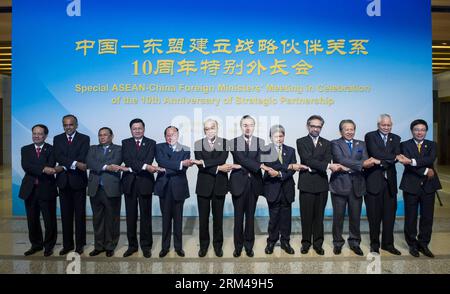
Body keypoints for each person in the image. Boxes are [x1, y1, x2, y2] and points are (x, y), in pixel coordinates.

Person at [296, 115, 345, 255]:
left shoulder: (327, 143)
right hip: (306, 184)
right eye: (313, 126)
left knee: (319, 216)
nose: (316, 129)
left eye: (319, 127)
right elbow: (307, 159)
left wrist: (315, 164)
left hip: (321, 184)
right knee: (306, 216)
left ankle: (318, 244)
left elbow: (320, 159)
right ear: (307, 126)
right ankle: (305, 243)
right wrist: (326, 165)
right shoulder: (301, 141)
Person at [330, 119, 377, 256]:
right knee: (338, 217)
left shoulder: (361, 144)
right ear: (341, 131)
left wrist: (350, 166)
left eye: (352, 129)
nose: (350, 132)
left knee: (355, 217)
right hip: (339, 184)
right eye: (346, 129)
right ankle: (337, 243)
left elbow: (366, 160)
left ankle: (354, 242)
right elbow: (340, 159)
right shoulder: (335, 143)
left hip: (357, 184)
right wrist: (359, 165)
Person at [397, 119, 442, 258]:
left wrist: (412, 161)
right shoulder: (404, 145)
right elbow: (406, 164)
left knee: (427, 217)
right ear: (412, 131)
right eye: (417, 129)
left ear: (426, 131)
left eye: (423, 129)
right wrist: (424, 171)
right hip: (411, 185)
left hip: (429, 186)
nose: (420, 132)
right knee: (410, 217)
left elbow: (430, 159)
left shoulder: (432, 145)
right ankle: (412, 244)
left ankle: (424, 244)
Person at [229, 115, 269, 258]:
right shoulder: (233, 142)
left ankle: (249, 246)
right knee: (238, 217)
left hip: (254, 184)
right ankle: (238, 247)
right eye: (245, 125)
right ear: (241, 126)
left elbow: (257, 160)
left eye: (250, 124)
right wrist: (260, 166)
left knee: (250, 217)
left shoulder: (261, 142)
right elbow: (242, 159)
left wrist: (254, 165)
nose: (248, 127)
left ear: (254, 126)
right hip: (238, 184)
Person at [193, 119, 234, 258]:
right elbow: (199, 165)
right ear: (204, 130)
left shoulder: (224, 143)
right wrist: (218, 168)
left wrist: (205, 163)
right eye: (207, 128)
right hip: (203, 186)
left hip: (219, 185)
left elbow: (221, 158)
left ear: (217, 128)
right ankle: (203, 246)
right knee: (203, 219)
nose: (210, 130)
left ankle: (218, 246)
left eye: (212, 127)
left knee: (218, 219)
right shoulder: (198, 144)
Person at [19, 124, 61, 257]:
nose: (36, 136)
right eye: (34, 133)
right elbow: (26, 166)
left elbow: (51, 165)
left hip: (46, 189)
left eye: (39, 133)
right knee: (32, 220)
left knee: (50, 221)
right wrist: (43, 169)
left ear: (45, 135)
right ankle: (36, 245)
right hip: (30, 190)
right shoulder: (25, 149)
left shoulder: (52, 149)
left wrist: (38, 167)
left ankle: (49, 246)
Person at [364, 114, 402, 255]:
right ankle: (375, 245)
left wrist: (380, 161)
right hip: (373, 182)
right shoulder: (370, 136)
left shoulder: (396, 138)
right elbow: (375, 152)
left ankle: (388, 244)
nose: (386, 127)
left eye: (389, 125)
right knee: (373, 216)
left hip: (390, 183)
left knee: (389, 216)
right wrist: (391, 158)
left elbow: (397, 155)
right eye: (383, 125)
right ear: (378, 124)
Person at [121, 118, 159, 258]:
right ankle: (132, 246)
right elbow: (127, 160)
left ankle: (146, 246)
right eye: (134, 128)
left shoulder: (151, 143)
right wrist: (144, 166)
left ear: (144, 129)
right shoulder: (125, 143)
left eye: (139, 128)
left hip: (145, 183)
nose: (137, 130)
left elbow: (148, 159)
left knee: (145, 216)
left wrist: (140, 165)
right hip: (129, 183)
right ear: (131, 130)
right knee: (130, 217)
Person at [53, 114, 90, 256]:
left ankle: (80, 245)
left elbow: (83, 156)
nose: (68, 127)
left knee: (80, 215)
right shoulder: (57, 139)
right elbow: (58, 156)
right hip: (63, 182)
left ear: (76, 125)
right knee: (65, 215)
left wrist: (65, 165)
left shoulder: (84, 138)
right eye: (65, 125)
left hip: (78, 182)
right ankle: (67, 245)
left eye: (70, 125)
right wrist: (75, 164)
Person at [154, 126, 192, 258]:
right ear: (165, 136)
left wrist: (165, 169)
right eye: (168, 135)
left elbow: (183, 169)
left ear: (178, 135)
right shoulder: (159, 147)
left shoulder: (186, 149)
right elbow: (161, 161)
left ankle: (178, 247)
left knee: (178, 219)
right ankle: (165, 247)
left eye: (173, 134)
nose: (171, 137)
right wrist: (180, 163)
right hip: (163, 187)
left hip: (178, 188)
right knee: (165, 219)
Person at [262, 125, 299, 255]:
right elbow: (271, 166)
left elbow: (293, 170)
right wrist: (288, 166)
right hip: (272, 188)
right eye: (276, 136)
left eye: (281, 136)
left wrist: (281, 173)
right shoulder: (265, 150)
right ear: (271, 137)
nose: (279, 138)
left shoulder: (291, 150)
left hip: (287, 188)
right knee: (274, 217)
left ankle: (285, 242)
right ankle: (271, 241)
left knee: (286, 217)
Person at [86, 127, 122, 258]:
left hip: (111, 188)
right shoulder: (92, 148)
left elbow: (116, 162)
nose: (102, 137)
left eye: (105, 135)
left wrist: (99, 164)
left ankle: (110, 246)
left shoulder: (118, 149)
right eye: (100, 135)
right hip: (95, 188)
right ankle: (99, 246)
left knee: (112, 219)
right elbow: (89, 162)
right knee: (97, 219)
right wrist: (106, 166)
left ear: (111, 136)